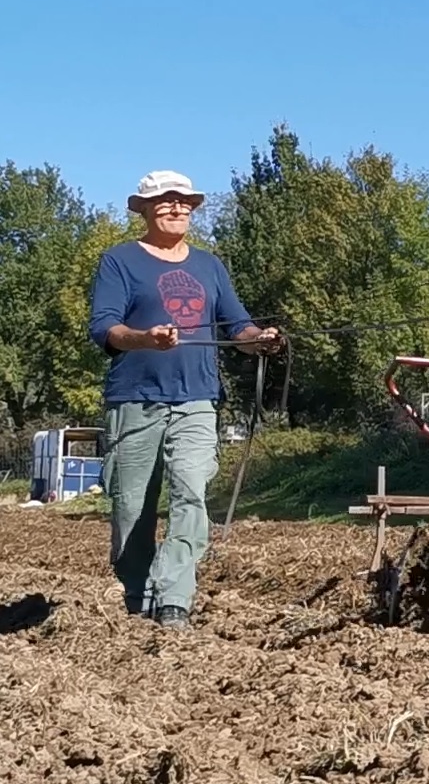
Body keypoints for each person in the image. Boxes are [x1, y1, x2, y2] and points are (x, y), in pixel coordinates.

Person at [87, 170, 282, 629]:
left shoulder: (210, 266)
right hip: (135, 399)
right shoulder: (119, 261)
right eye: (165, 201)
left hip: (197, 399)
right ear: (144, 209)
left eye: (184, 202)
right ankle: (137, 592)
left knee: (190, 491)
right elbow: (105, 328)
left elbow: (238, 326)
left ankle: (174, 595)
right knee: (132, 507)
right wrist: (144, 338)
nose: (177, 208)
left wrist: (262, 340)